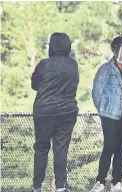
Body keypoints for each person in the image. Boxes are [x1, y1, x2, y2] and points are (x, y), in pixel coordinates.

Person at [31, 32, 79, 192]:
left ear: (51, 46)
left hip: (44, 111)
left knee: (41, 148)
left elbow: (34, 85)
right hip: (67, 111)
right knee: (61, 148)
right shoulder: (73, 65)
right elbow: (74, 85)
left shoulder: (44, 64)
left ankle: (36, 187)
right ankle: (60, 187)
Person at [91, 36, 122, 192]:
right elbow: (96, 93)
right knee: (109, 146)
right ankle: (100, 182)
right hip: (110, 116)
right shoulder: (105, 69)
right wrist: (104, 111)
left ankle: (117, 183)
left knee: (121, 148)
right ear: (114, 49)